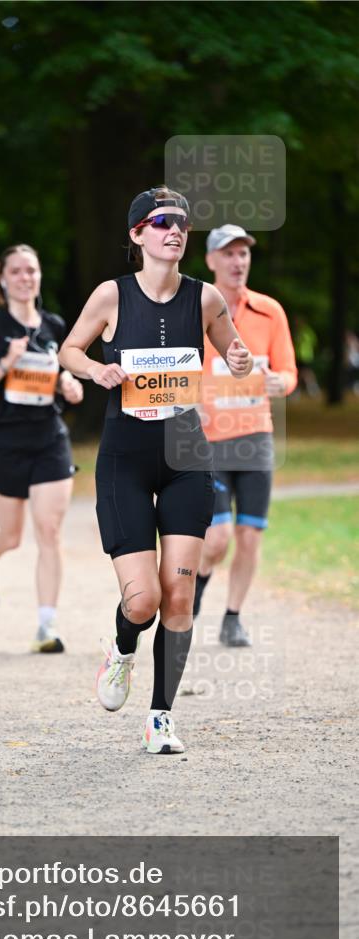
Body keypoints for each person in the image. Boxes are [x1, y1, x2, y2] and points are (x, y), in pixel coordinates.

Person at [58, 187, 253, 754]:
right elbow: (70, 350)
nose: (175, 231)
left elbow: (235, 356)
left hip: (188, 457)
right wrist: (96, 371)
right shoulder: (110, 296)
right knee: (142, 601)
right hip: (125, 459)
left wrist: (238, 360)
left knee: (179, 597)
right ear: (137, 234)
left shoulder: (206, 298)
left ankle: (161, 718)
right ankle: (121, 651)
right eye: (162, 222)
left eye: (183, 224)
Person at [0, 245, 84, 652]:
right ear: (3, 279)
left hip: (49, 438)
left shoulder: (54, 326)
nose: (25, 277)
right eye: (16, 271)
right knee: (11, 536)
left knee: (48, 531)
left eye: (31, 270)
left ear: (39, 276)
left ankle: (46, 627)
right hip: (4, 441)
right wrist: (4, 364)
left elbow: (70, 379)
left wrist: (71, 385)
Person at [193, 225, 297, 646]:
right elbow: (181, 368)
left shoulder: (270, 311)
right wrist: (189, 402)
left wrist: (280, 385)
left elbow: (287, 371)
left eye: (244, 254)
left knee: (250, 535)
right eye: (229, 254)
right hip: (209, 440)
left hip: (255, 438)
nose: (238, 262)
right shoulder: (195, 310)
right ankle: (195, 594)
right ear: (211, 261)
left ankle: (232, 617)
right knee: (215, 539)